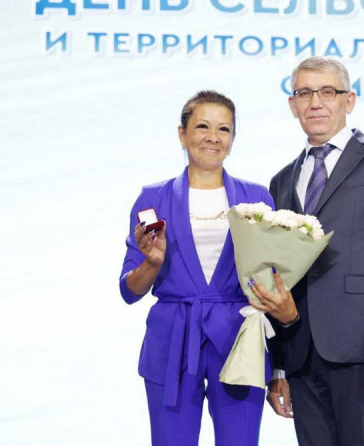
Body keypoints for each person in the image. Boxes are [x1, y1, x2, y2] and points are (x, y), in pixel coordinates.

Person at [249, 57, 364, 445]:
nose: (315, 102)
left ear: (349, 100)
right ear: (292, 105)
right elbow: (277, 275)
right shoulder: (281, 181)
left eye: (327, 92)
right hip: (301, 356)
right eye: (304, 93)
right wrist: (278, 366)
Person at [119, 90, 274, 446]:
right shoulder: (153, 198)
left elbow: (272, 279)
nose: (212, 137)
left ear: (233, 139)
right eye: (202, 126)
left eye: (224, 129)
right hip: (171, 341)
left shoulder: (258, 197)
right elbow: (129, 290)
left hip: (239, 339)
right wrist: (152, 263)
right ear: (182, 133)